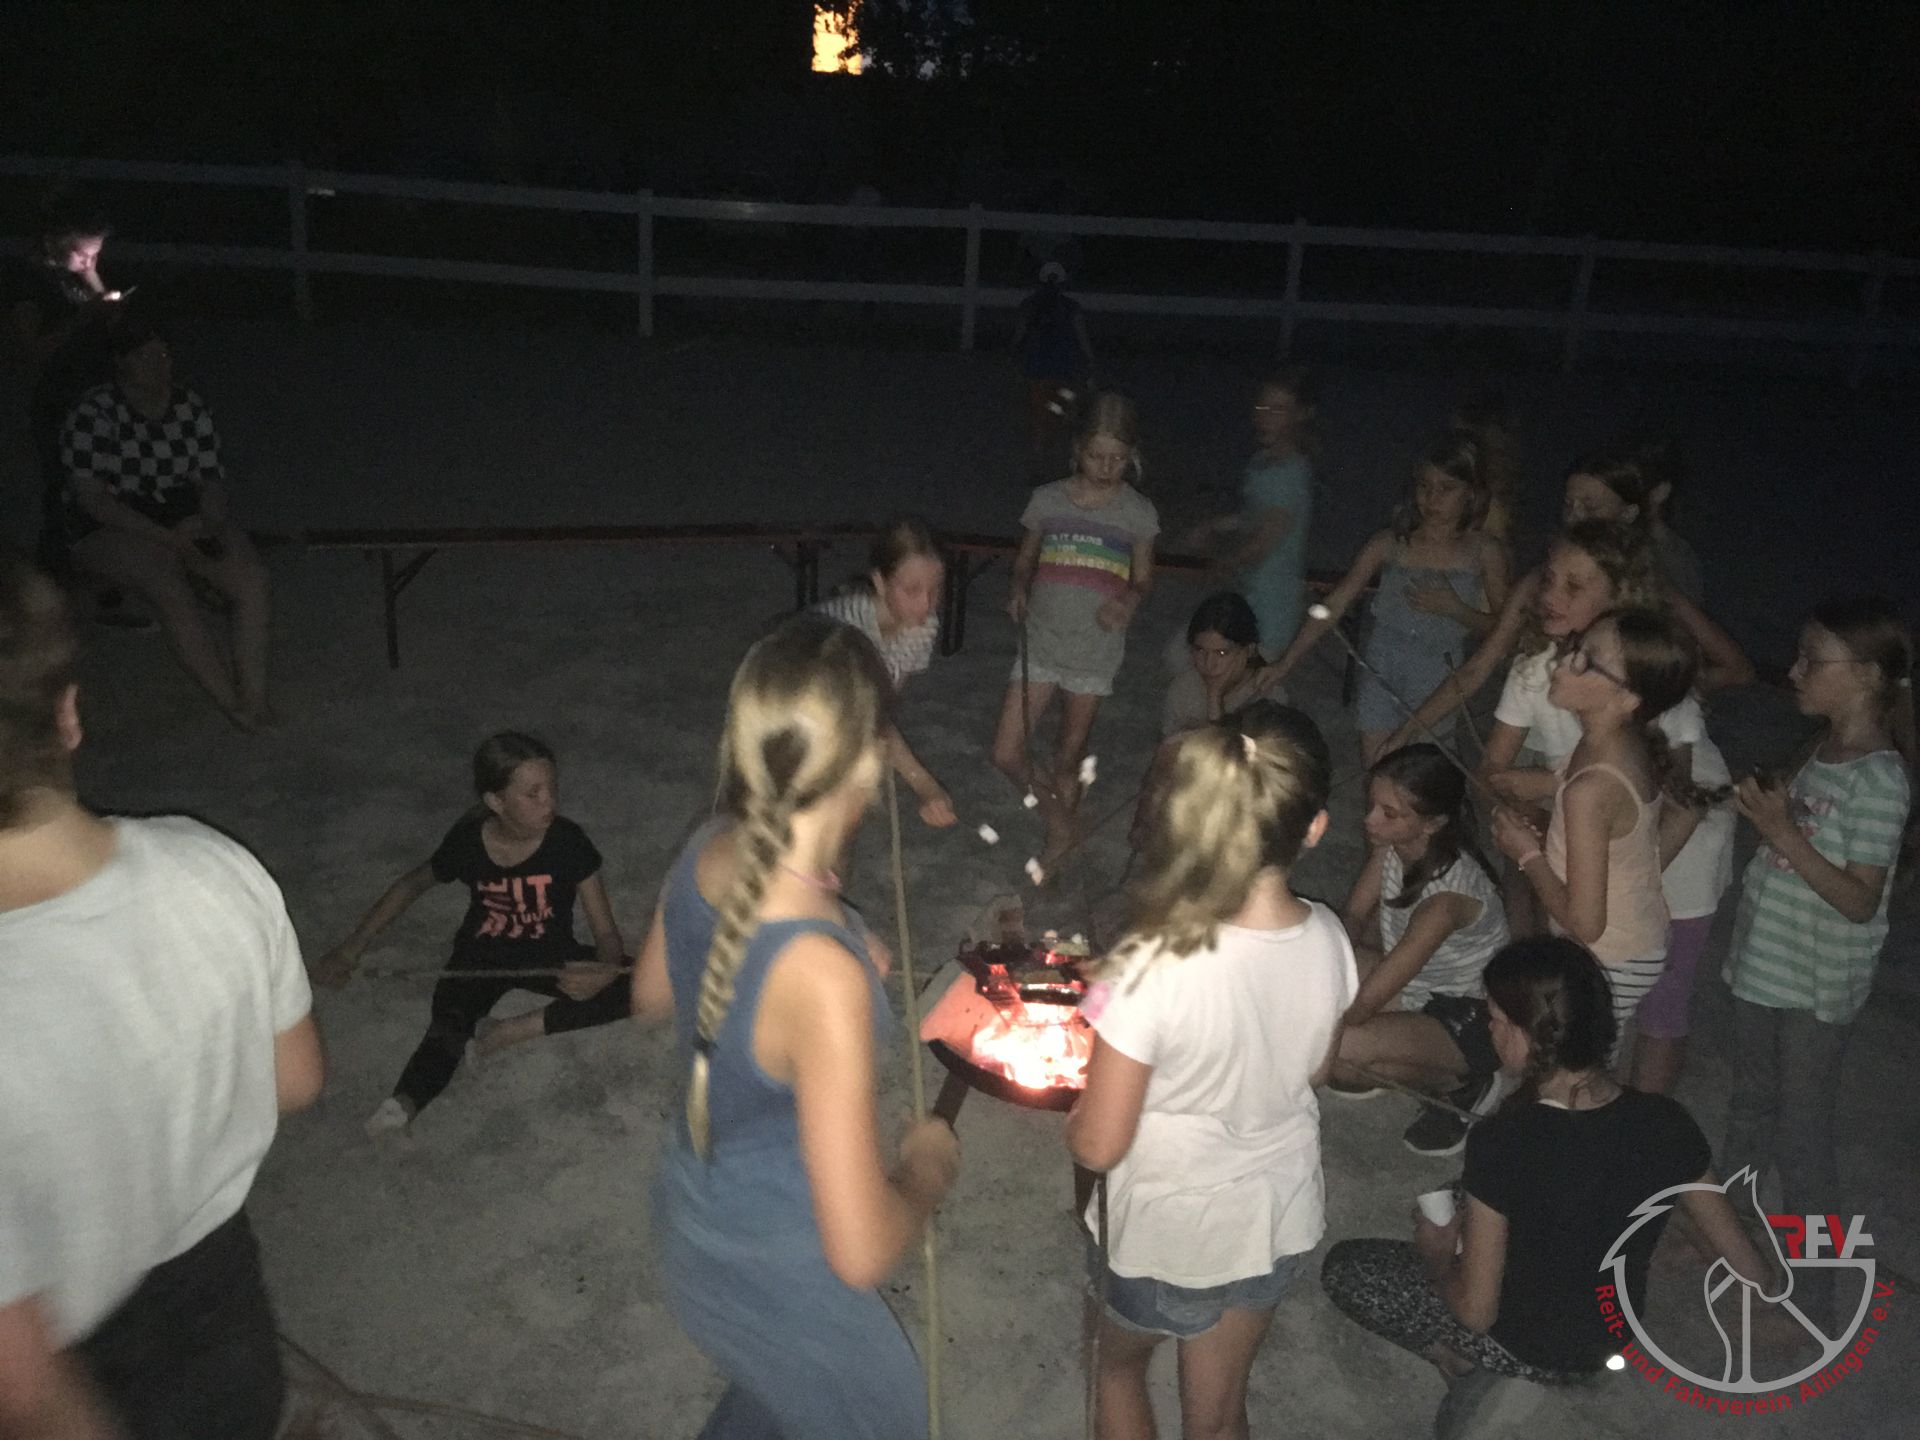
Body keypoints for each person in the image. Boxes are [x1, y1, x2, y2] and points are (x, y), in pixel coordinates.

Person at [0, 551, 324, 1440]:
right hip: (220, 1297)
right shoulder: (209, 864)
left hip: (85, 1365)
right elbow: (297, 1080)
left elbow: (23, 1390)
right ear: (68, 714)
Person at [635, 614, 960, 1439]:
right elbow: (861, 1252)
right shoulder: (824, 979)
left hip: (693, 1216)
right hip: (779, 1266)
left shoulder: (708, 845)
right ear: (869, 761)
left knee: (778, 1406)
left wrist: (839, 933)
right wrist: (926, 1170)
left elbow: (651, 995)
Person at [1321, 937, 1776, 1440]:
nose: (1488, 1027)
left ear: (1528, 1035)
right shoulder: (1667, 1121)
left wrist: (1438, 1258)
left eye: (1495, 1018)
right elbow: (1749, 1266)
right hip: (1610, 1338)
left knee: (1348, 1269)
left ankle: (1470, 1367)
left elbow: (1476, 1312)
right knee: (1479, 1198)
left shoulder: (1505, 1142)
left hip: (1523, 1342)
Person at [1068, 702, 1356, 1440]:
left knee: (1114, 1370)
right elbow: (1317, 1068)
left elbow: (1098, 1145)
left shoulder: (1151, 963)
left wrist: (1081, 1104)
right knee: (1218, 1410)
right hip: (1274, 1217)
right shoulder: (1330, 935)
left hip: (1170, 1230)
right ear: (1315, 827)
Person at [1385, 522, 1745, 941]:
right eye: (1550, 580)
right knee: (1534, 874)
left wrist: (1549, 789)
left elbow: (1679, 802)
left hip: (1675, 854)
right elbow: (1492, 770)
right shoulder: (1539, 667)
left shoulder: (1646, 676)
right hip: (1599, 843)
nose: (1550, 596)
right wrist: (1508, 811)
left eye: (1573, 587)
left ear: (1619, 597)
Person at [1723, 596, 1912, 1320]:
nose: (1796, 670)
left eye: (1813, 659)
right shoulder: (1821, 750)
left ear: (1866, 675)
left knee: (1804, 1142)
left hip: (1814, 987)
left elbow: (1860, 901)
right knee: (1749, 1109)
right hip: (1764, 966)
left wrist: (1781, 831)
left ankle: (1818, 1300)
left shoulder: (1880, 779)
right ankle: (1729, 1235)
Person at [314, 732, 628, 1135]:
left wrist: (605, 967)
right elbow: (413, 883)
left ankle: (509, 1031)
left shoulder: (568, 842)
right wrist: (349, 950)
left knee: (643, 983)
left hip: (548, 953)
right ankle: (404, 1102)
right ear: (496, 801)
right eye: (533, 794)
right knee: (449, 1026)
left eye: (552, 788)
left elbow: (606, 931)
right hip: (479, 955)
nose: (549, 802)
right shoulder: (469, 840)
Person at [1491, 608, 1715, 1073]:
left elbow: (1585, 923)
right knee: (1581, 1067)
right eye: (1576, 646)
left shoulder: (1591, 790)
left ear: (1627, 698)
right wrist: (1546, 784)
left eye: (1586, 661)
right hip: (1632, 941)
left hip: (1609, 955)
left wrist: (1526, 852)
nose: (1562, 662)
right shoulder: (1615, 742)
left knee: (1572, 1073)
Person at [61, 314, 277, 729]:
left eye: (163, 355)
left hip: (178, 512)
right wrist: (169, 539)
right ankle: (230, 702)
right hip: (113, 522)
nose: (160, 365)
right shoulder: (94, 413)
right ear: (121, 363)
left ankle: (254, 700)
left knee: (251, 578)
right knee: (166, 582)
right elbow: (94, 502)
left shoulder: (188, 406)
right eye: (146, 357)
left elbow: (210, 479)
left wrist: (209, 523)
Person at [1261, 431, 1510, 763]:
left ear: (1470, 493)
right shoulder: (1389, 542)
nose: (1432, 499)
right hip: (1381, 666)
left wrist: (1457, 610)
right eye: (1425, 486)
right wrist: (1285, 662)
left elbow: (1503, 630)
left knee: (1422, 773)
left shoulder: (1484, 551)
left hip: (1439, 675)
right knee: (1377, 768)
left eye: (1446, 488)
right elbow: (1334, 604)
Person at [992, 391, 1158, 861]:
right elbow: (1025, 562)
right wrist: (1018, 588)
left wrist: (1128, 600)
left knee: (1068, 753)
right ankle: (1063, 825)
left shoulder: (1137, 512)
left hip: (1094, 647)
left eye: (1117, 459)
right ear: (1078, 449)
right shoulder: (1047, 500)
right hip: (1043, 639)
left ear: (1131, 456)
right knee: (1006, 752)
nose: (1106, 467)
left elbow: (1143, 578)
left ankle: (1056, 847)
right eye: (1096, 456)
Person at [1332, 744, 1511, 1157]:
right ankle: (1391, 1056)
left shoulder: (1446, 902)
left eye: (1389, 813)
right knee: (1316, 971)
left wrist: (1302, 1028)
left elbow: (1365, 1003)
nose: (1369, 820)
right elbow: (1354, 916)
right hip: (1420, 987)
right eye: (1372, 805)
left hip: (1469, 1016)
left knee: (1336, 1051)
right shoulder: (1391, 847)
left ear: (1432, 824)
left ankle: (1465, 1083)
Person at [4, 200, 126, 592]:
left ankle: (97, 565)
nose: (89, 260)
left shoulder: (78, 274)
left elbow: (108, 318)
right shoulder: (29, 282)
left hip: (93, 394)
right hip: (57, 398)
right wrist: (83, 317)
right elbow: (33, 351)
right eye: (82, 253)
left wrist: (96, 284)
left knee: (102, 480)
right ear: (54, 242)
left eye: (95, 254)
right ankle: (55, 574)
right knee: (62, 484)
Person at [814, 516, 956, 826]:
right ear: (879, 582)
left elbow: (881, 710)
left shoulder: (922, 627)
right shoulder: (846, 628)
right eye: (912, 590)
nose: (926, 605)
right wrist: (923, 783)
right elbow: (866, 717)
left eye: (935, 590)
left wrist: (926, 788)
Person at [1186, 370, 1318, 662]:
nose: (1266, 417)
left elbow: (1266, 540)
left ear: (1300, 415)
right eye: (1262, 407)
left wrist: (1226, 563)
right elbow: (1254, 516)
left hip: (1272, 600)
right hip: (1248, 590)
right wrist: (1214, 526)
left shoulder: (1291, 473)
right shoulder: (1262, 462)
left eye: (1278, 410)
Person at [1131, 592, 1265, 849]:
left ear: (1247, 651)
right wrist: (1143, 818)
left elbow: (1239, 767)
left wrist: (1214, 698)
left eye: (1222, 653)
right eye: (1200, 651)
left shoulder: (1266, 695)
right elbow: (1162, 761)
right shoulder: (1183, 689)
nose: (1209, 664)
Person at [1560, 443, 1704, 606]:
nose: (1573, 516)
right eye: (1568, 504)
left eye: (1590, 508)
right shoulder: (1559, 554)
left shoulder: (1657, 566)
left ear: (1628, 512)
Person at [1011, 261, 1095, 478]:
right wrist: (1090, 362)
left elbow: (1019, 338)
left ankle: (1039, 466)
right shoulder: (1072, 308)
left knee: (1040, 417)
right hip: (1066, 372)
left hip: (1037, 371)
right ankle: (1064, 465)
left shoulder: (1029, 306)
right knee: (1065, 414)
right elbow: (1082, 339)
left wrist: (1017, 362)